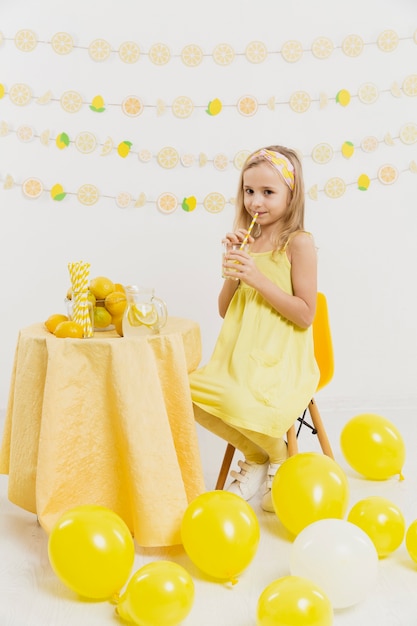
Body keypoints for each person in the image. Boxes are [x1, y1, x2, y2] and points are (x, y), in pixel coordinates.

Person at [189, 145, 320, 512]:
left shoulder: (299, 243)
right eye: (249, 191)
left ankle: (277, 460)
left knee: (239, 400)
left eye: (268, 192)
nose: (255, 202)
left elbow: (306, 314)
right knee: (183, 393)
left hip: (279, 356)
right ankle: (263, 455)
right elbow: (223, 308)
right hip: (237, 354)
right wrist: (232, 269)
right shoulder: (247, 238)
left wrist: (258, 278)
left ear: (291, 194)